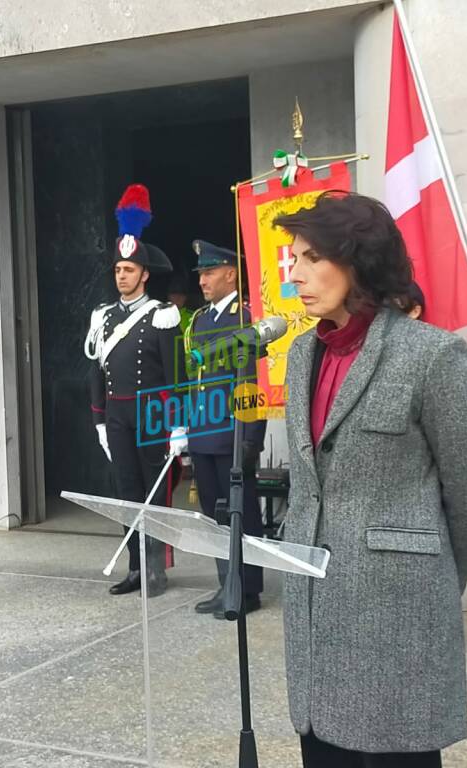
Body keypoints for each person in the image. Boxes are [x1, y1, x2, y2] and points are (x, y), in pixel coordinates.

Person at [273, 192, 467, 767]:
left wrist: (430, 575)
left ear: (358, 261)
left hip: (397, 610)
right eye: (292, 257)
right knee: (323, 752)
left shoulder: (432, 355)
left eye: (309, 257)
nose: (294, 273)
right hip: (313, 605)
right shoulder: (302, 353)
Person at [84, 185, 186, 597]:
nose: (121, 276)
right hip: (118, 417)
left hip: (152, 415)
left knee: (153, 492)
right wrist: (99, 421)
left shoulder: (163, 315)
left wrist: (179, 426)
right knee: (127, 493)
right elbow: (96, 371)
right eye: (117, 270)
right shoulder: (102, 318)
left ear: (144, 274)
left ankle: (156, 570)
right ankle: (134, 569)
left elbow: (176, 375)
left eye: (128, 270)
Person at [184, 240, 266, 619]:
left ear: (231, 274)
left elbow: (251, 380)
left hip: (232, 435)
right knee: (214, 515)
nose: (203, 280)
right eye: (201, 273)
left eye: (210, 272)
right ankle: (225, 583)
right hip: (204, 433)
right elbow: (195, 380)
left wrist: (252, 437)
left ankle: (247, 589)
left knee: (242, 514)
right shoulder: (200, 320)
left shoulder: (244, 318)